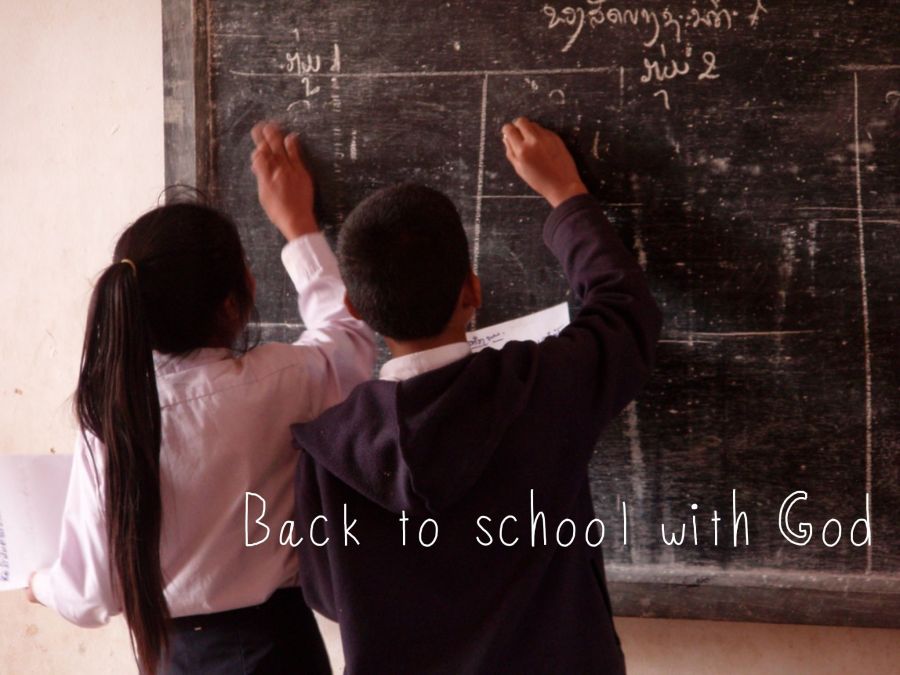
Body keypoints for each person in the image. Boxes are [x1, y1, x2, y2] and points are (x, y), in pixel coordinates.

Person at [289, 117, 663, 673]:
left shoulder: (325, 453)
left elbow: (325, 593)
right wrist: (566, 195)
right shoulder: (540, 387)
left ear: (356, 310)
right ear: (473, 289)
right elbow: (625, 313)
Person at [27, 123, 375, 674]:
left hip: (175, 657)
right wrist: (299, 228)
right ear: (237, 299)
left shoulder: (112, 421)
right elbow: (350, 339)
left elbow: (90, 594)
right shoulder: (282, 379)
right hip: (282, 646)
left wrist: (41, 585)